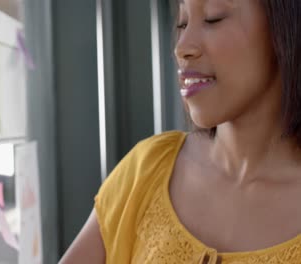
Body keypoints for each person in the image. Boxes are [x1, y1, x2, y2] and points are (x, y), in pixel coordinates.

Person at [60, 0, 301, 263]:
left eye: (213, 18)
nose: (181, 48)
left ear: (285, 25)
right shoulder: (146, 170)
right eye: (182, 23)